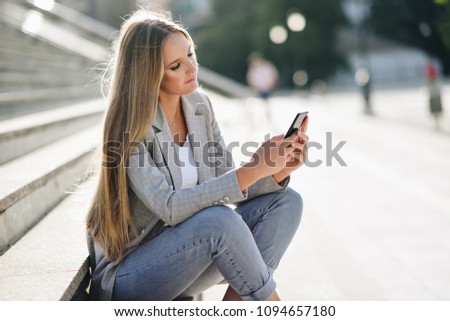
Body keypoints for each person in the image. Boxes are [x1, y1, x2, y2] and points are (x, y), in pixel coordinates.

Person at [86, 9, 309, 301]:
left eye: (190, 54)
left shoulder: (199, 106)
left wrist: (274, 170)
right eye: (176, 65)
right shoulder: (129, 126)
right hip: (132, 272)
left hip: (190, 256)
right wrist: (253, 169)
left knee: (286, 202)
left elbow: (227, 183)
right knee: (219, 221)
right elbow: (168, 206)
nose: (192, 68)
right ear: (148, 74)